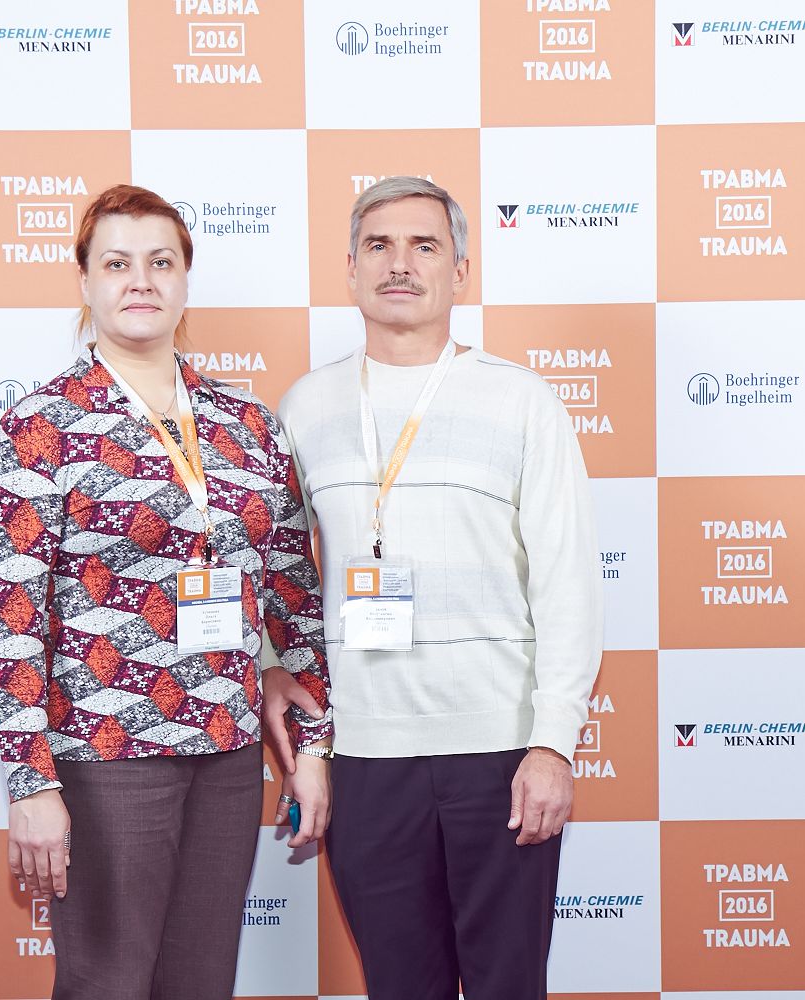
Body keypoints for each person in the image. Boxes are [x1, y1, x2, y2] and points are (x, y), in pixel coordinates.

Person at [0, 183, 333, 1000]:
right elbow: (10, 622)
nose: (141, 280)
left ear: (184, 280)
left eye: (161, 261)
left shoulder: (245, 423)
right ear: (85, 281)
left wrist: (314, 747)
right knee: (106, 983)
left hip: (228, 751)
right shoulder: (39, 428)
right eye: (117, 263)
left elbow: (294, 597)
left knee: (201, 982)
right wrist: (31, 784)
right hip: (104, 757)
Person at [263, 175, 601, 999]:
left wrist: (553, 744)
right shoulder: (304, 407)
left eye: (425, 245)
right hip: (366, 758)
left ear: (461, 271)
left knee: (507, 987)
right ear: (351, 268)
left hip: (502, 752)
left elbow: (568, 583)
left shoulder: (521, 401)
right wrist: (291, 701)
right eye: (378, 245)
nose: (400, 264)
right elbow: (275, 575)